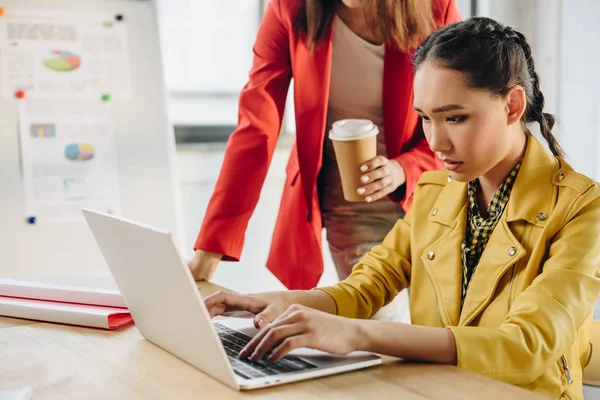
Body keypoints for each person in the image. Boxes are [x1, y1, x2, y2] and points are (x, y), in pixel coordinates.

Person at [203, 17, 600, 399]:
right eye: (425, 119)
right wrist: (272, 302)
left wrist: (356, 333)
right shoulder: (433, 192)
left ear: (513, 106)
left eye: (455, 118)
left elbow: (526, 347)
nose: (437, 142)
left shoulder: (583, 208)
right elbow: (363, 289)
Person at [188, 0, 461, 297]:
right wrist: (209, 251)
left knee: (438, 325)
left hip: (432, 197)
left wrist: (404, 169)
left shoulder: (436, 8)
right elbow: (256, 130)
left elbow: (458, 118)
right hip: (350, 205)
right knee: (379, 330)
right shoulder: (290, 9)